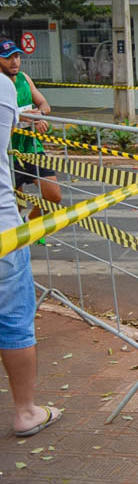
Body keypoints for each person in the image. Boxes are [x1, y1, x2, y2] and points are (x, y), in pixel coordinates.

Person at [0, 52, 62, 437]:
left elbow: (41, 104)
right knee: (14, 322)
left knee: (50, 197)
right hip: (4, 230)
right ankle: (25, 411)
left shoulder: (16, 81)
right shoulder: (4, 87)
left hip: (13, 215)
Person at [0, 40, 61, 229]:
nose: (14, 62)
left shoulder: (25, 79)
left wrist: (39, 116)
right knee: (14, 205)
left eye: (17, 56)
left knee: (53, 196)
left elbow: (45, 105)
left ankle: (28, 225)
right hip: (9, 151)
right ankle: (16, 244)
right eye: (8, 58)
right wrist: (21, 118)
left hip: (31, 147)